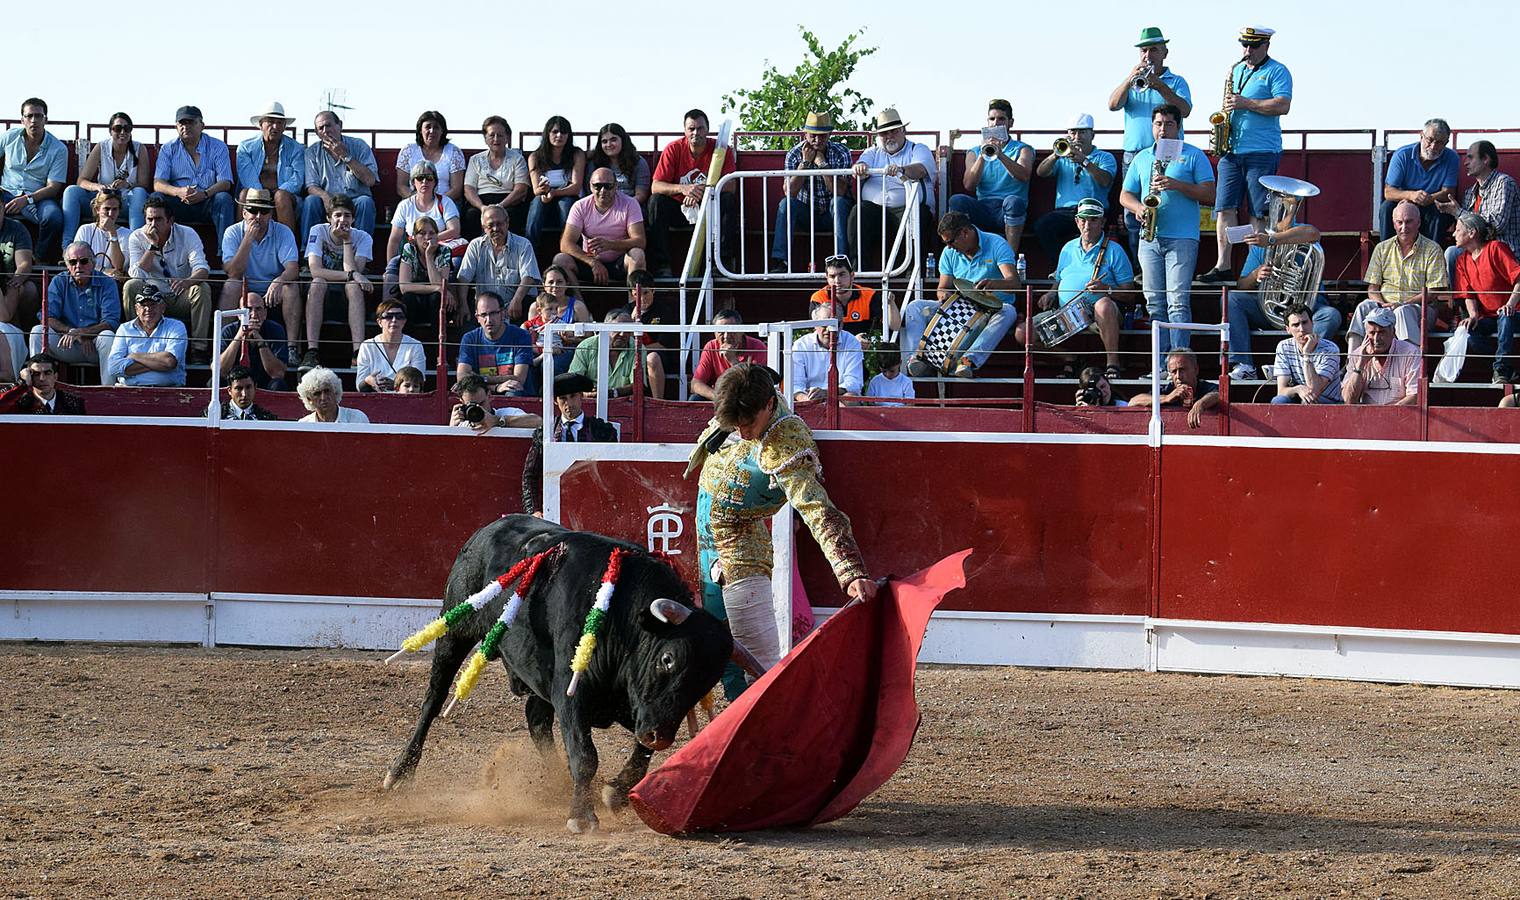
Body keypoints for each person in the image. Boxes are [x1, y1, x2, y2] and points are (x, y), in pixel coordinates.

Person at [688, 363, 875, 698]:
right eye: (735, 424)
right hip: (705, 527)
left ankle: (760, 723)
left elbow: (818, 510)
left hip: (740, 539)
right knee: (717, 638)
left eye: (749, 423)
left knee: (756, 659)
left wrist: (850, 570)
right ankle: (735, 721)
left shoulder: (787, 442)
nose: (743, 432)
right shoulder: (747, 396)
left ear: (770, 405)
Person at [1199, 27, 1293, 283]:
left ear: (1266, 46)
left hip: (1262, 150)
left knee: (1257, 212)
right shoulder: (1237, 69)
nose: (1247, 51)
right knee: (1224, 208)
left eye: (1253, 46)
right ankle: (1223, 265)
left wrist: (1246, 103)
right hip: (1231, 150)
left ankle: (1253, 267)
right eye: (1244, 45)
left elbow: (1283, 105)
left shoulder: (1277, 71)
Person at [1119, 104, 1215, 356]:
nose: (1163, 129)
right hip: (1149, 238)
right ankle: (1159, 364)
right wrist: (1138, 208)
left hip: (1182, 239)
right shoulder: (1141, 157)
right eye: (1158, 124)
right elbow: (1124, 195)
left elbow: (1209, 194)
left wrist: (1176, 184)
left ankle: (1179, 362)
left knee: (1177, 302)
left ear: (1179, 126)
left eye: (1168, 124)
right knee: (1154, 304)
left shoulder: (1193, 155)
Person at [1016, 199, 1133, 377]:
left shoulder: (1115, 250)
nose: (1088, 225)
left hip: (1098, 316)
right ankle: (1071, 358)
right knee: (1022, 333)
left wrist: (1106, 289)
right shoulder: (1067, 248)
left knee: (1104, 305)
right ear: (1077, 221)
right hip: (1067, 314)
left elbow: (1130, 294)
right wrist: (1051, 292)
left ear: (1102, 223)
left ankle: (1113, 364)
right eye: (1084, 219)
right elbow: (1060, 277)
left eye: (1093, 220)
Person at [1225, 201, 1341, 381]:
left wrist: (1272, 240)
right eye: (1277, 212)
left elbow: (1314, 233)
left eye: (1287, 210)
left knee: (1330, 316)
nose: (1281, 217)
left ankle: (1302, 362)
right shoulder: (1259, 245)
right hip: (1271, 308)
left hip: (1308, 307)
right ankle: (1244, 365)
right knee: (1233, 299)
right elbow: (1241, 285)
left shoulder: (1301, 232)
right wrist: (1255, 275)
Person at [1108, 27, 1194, 262]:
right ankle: (1140, 268)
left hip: (1168, 151)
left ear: (1164, 52)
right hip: (1136, 153)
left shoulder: (1176, 81)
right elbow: (1113, 105)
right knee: (1133, 214)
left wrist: (1159, 86)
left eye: (1153, 49)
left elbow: (1184, 110)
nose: (1148, 55)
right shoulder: (1133, 81)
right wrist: (1129, 79)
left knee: (1167, 206)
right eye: (1144, 50)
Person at [901, 211, 1021, 378]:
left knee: (1009, 311)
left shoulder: (997, 244)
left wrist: (994, 284)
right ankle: (917, 358)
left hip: (993, 308)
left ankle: (967, 362)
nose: (949, 247)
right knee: (915, 307)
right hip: (961, 308)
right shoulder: (949, 253)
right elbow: (942, 287)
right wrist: (943, 295)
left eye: (950, 241)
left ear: (965, 232)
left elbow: (1015, 283)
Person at [649, 109, 737, 276]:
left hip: (710, 209)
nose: (696, 133)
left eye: (700, 128)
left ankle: (721, 265)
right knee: (656, 202)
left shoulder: (721, 149)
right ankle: (662, 265)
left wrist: (701, 191)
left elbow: (731, 185)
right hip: (679, 209)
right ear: (685, 130)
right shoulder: (673, 148)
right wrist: (684, 189)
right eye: (691, 129)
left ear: (708, 129)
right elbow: (656, 186)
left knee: (728, 200)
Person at [124, 195, 212, 360]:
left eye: (158, 219)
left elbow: (202, 268)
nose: (152, 224)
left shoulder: (187, 234)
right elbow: (136, 274)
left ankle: (199, 349)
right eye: (149, 219)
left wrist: (187, 282)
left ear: (170, 220)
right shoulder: (137, 237)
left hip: (180, 296)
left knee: (201, 288)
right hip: (151, 299)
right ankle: (134, 340)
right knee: (131, 286)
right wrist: (152, 246)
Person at [1347, 200, 1447, 343]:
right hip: (1385, 305)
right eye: (1399, 222)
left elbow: (1433, 292)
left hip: (1419, 308)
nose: (1404, 227)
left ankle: (1411, 362)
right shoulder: (1382, 248)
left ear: (1418, 223)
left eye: (1409, 222)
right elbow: (1373, 288)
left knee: (1402, 312)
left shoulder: (1432, 249)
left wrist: (1403, 303)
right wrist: (1382, 305)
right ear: (1394, 224)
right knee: (1363, 307)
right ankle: (1354, 361)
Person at [521, 372, 618, 516]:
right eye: (563, 399)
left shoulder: (602, 431)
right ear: (555, 401)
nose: (569, 404)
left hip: (594, 505)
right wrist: (534, 511)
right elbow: (530, 475)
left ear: (581, 396)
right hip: (555, 504)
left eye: (573, 396)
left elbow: (612, 473)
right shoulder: (545, 433)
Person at [771, 112, 854, 272]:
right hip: (807, 215)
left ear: (830, 134)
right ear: (805, 134)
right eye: (813, 136)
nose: (817, 140)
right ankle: (780, 261)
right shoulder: (794, 154)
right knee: (786, 204)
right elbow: (789, 192)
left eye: (822, 136)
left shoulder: (841, 152)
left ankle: (842, 262)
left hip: (834, 214)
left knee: (839, 203)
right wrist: (805, 163)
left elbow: (841, 191)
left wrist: (823, 165)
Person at [299, 195, 373, 372]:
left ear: (353, 219)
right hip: (322, 295)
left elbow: (356, 271)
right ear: (328, 218)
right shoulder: (318, 230)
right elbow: (316, 270)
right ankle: (312, 351)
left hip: (347, 297)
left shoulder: (363, 237)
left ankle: (358, 353)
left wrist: (347, 241)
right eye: (337, 215)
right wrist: (352, 275)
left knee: (353, 286)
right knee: (317, 282)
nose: (342, 220)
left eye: (347, 215)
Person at [945, 100, 1029, 256]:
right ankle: (965, 256)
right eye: (992, 119)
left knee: (1014, 202)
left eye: (1001, 119)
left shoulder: (1023, 149)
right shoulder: (974, 152)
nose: (995, 123)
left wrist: (1001, 154)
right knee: (957, 200)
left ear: (1010, 123)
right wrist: (984, 155)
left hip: (1007, 209)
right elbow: (969, 184)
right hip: (983, 207)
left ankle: (1008, 258)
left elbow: (1023, 175)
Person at [29, 241, 117, 384]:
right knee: (38, 331)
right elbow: (46, 317)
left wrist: (82, 332)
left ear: (93, 263)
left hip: (95, 345)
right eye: (72, 262)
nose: (78, 266)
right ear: (67, 265)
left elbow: (111, 322)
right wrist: (71, 331)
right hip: (67, 343)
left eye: (83, 261)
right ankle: (39, 387)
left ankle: (109, 391)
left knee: (108, 336)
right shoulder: (59, 281)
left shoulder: (107, 283)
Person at [1032, 114, 1117, 260]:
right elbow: (1041, 172)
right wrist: (1055, 155)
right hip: (1065, 212)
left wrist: (1084, 161)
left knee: (1090, 231)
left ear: (1092, 135)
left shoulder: (1104, 157)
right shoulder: (1063, 157)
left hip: (1094, 210)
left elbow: (1105, 181)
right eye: (1073, 132)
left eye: (1082, 132)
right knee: (1042, 226)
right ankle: (1062, 266)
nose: (1077, 136)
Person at [152, 105, 236, 250]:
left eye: (191, 122)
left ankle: (226, 255)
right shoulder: (168, 148)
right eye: (181, 123)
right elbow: (158, 183)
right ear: (176, 126)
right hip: (178, 202)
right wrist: (178, 192)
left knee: (224, 199)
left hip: (207, 201)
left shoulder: (218, 146)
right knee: (156, 198)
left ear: (202, 125)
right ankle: (155, 249)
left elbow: (226, 182)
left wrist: (204, 194)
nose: (186, 127)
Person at [554, 167, 647, 296]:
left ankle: (634, 307)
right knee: (560, 260)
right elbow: (565, 244)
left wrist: (610, 245)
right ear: (591, 187)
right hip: (590, 262)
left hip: (619, 263)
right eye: (598, 186)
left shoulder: (630, 204)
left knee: (637, 255)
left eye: (608, 186)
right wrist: (593, 263)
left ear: (615, 187)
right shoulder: (580, 206)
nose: (603, 190)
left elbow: (640, 241)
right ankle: (579, 308)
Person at [1437, 141, 1520, 284]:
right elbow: (1465, 230)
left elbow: (1496, 224)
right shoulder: (1470, 193)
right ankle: (1461, 303)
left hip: (1502, 251)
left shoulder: (1504, 183)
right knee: (1452, 253)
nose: (1465, 163)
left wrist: (1458, 212)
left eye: (1470, 157)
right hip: (1476, 251)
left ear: (1485, 159)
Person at [1451, 212, 1520, 383]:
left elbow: (1519, 278)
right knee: (1469, 332)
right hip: (1489, 317)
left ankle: (1501, 370)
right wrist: (1473, 315)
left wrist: (1510, 304)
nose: (1453, 234)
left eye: (1458, 230)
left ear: (1472, 233)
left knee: (1505, 317)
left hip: (1514, 313)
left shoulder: (1496, 248)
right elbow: (1468, 294)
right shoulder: (1462, 260)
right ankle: (1503, 368)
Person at [63, 111, 151, 240]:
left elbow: (144, 184)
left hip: (127, 202)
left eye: (127, 129)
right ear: (110, 131)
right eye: (117, 128)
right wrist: (98, 187)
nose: (122, 132)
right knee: (71, 191)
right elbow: (81, 180)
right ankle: (67, 245)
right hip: (103, 202)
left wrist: (127, 184)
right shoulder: (102, 147)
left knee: (139, 193)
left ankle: (135, 245)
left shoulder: (139, 149)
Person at [0, 98, 67, 262]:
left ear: (46, 119)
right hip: (6, 192)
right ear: (22, 119)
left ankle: (39, 259)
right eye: (29, 116)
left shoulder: (58, 149)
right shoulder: (9, 137)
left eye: (38, 116)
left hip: (37, 197)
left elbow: (53, 187)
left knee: (54, 218)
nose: (33, 121)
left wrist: (27, 199)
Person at [384, 161, 461, 295]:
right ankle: (388, 310)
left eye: (429, 178)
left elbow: (454, 230)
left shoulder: (445, 202)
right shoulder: (404, 205)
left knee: (456, 263)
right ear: (413, 182)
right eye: (420, 178)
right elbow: (395, 239)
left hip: (440, 251)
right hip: (413, 252)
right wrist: (389, 265)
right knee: (392, 269)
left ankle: (455, 308)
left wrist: (429, 240)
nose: (424, 182)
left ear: (435, 182)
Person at [302, 110, 379, 245]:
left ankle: (362, 255)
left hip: (354, 201)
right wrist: (325, 197)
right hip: (328, 201)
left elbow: (371, 180)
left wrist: (346, 156)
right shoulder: (312, 152)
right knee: (311, 201)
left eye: (329, 125)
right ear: (317, 133)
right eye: (321, 128)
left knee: (365, 202)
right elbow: (311, 185)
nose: (325, 131)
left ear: (340, 125)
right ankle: (307, 254)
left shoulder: (359, 145)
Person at [220, 189, 299, 318]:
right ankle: (223, 336)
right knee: (231, 285)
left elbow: (293, 269)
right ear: (244, 213)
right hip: (244, 288)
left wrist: (280, 280)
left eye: (264, 211)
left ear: (270, 214)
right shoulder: (232, 232)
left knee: (291, 288)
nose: (258, 216)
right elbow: (233, 272)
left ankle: (293, 339)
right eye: (253, 210)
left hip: (273, 290)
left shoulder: (283, 232)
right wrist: (248, 239)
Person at [1379, 119, 1458, 243]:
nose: (1433, 146)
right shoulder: (1402, 155)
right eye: (1430, 140)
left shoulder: (1452, 157)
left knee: (1440, 214)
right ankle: (1387, 254)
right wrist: (1411, 195)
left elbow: (1449, 192)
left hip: (1432, 203)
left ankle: (1433, 257)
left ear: (1446, 142)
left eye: (1439, 143)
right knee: (1386, 208)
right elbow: (1388, 192)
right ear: (1421, 136)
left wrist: (1429, 198)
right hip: (1404, 201)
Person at [457, 204, 539, 322]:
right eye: (490, 225)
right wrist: (462, 304)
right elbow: (463, 278)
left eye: (499, 224)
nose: (495, 229)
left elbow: (529, 277)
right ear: (483, 227)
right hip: (485, 310)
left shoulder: (523, 245)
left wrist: (517, 300)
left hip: (516, 307)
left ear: (507, 223)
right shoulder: (475, 246)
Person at [236, 101, 304, 235]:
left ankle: (288, 247)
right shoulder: (245, 147)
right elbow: (247, 178)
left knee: (281, 196)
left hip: (286, 197)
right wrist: (263, 196)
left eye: (279, 123)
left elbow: (298, 179)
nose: (275, 126)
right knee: (245, 194)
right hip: (256, 193)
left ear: (284, 127)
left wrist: (277, 193)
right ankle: (241, 244)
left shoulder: (296, 148)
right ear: (261, 125)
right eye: (270, 122)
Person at [568, 306, 666, 399]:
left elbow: (638, 385)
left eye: (627, 330)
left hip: (623, 403)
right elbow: (574, 380)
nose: (623, 334)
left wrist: (613, 392)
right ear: (605, 328)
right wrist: (585, 393)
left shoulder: (638, 348)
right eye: (618, 329)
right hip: (590, 402)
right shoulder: (586, 347)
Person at [105, 282, 188, 386]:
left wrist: (134, 356)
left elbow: (170, 362)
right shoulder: (124, 329)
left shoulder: (176, 327)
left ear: (162, 307)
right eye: (144, 305)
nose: (148, 309)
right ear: (136, 309)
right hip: (129, 392)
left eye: (153, 304)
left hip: (169, 391)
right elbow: (113, 367)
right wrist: (158, 364)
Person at [463, 116, 531, 240]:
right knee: (470, 215)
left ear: (507, 137)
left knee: (511, 216)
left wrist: (499, 207)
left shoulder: (517, 159)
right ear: (485, 138)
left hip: (508, 202)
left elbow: (521, 190)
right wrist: (483, 208)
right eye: (491, 135)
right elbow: (469, 189)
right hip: (481, 202)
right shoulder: (475, 160)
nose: (496, 139)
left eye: (500, 135)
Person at [526, 116, 587, 251]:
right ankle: (529, 250)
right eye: (555, 132)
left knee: (566, 205)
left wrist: (554, 192)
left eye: (564, 132)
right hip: (545, 196)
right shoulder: (535, 157)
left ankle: (569, 250)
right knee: (537, 203)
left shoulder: (577, 154)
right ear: (547, 133)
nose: (559, 135)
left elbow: (576, 187)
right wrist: (546, 191)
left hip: (568, 195)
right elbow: (536, 190)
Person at [456, 290, 533, 395]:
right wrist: (496, 387)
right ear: (477, 318)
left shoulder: (521, 336)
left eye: (493, 313)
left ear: (502, 314)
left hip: (514, 393)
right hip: (485, 393)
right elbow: (462, 377)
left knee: (513, 390)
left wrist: (478, 378)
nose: (488, 320)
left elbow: (518, 378)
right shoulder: (470, 338)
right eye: (483, 315)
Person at [809, 253, 899, 341]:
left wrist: (890, 303)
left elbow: (895, 326)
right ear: (827, 278)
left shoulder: (869, 295)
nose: (837, 281)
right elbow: (818, 335)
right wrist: (853, 342)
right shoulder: (818, 298)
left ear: (852, 276)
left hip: (865, 351)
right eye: (832, 276)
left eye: (842, 275)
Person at [1341, 307, 1419, 406]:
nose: (1376, 339)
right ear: (1366, 334)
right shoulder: (1357, 355)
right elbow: (1348, 400)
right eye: (1372, 333)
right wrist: (1360, 364)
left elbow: (1414, 396)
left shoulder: (1411, 353)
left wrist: (1385, 416)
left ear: (1393, 332)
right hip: (1365, 417)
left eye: (1381, 332)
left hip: (1399, 417)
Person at [791, 301, 864, 401]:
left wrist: (827, 393)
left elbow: (854, 382)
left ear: (842, 324)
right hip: (809, 398)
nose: (829, 330)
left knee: (850, 398)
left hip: (839, 397)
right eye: (824, 324)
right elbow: (795, 384)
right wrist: (807, 399)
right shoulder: (801, 345)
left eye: (834, 325)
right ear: (815, 324)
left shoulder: (852, 342)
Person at [1270, 303, 1342, 404]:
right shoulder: (1284, 347)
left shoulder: (1330, 349)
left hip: (1328, 402)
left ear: (1312, 323)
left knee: (1308, 401)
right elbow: (1281, 391)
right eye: (1296, 325)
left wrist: (1307, 354)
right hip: (1299, 396)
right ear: (1288, 329)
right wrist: (1298, 389)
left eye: (1305, 322)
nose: (1302, 329)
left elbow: (1315, 389)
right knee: (1279, 401)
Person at [1130, 348, 1221, 428]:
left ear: (1196, 369)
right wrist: (1167, 398)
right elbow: (1133, 401)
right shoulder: (1168, 390)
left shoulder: (1204, 386)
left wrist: (1200, 404)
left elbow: (1219, 394)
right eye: (1174, 372)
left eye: (1182, 370)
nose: (1178, 376)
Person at [692, 308, 766, 400]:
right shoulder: (711, 346)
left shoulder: (757, 346)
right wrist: (717, 397)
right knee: (695, 398)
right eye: (721, 332)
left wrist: (733, 360)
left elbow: (753, 386)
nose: (726, 336)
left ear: (742, 330)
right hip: (720, 398)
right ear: (714, 333)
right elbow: (695, 384)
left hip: (746, 399)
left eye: (732, 330)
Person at [396, 215, 457, 324]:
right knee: (408, 297)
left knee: (437, 298)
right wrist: (435, 289)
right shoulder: (409, 249)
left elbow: (440, 285)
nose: (427, 237)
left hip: (435, 304)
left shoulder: (444, 251)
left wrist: (429, 256)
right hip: (416, 301)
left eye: (432, 233)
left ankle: (436, 339)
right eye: (422, 233)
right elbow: (404, 287)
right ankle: (409, 339)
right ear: (414, 236)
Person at [217, 297, 288, 390]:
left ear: (265, 313)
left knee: (278, 384)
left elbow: (278, 373)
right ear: (239, 314)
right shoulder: (228, 330)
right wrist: (239, 336)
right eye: (248, 309)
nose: (254, 315)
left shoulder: (275, 330)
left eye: (258, 309)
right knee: (214, 382)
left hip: (264, 382)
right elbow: (219, 370)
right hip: (235, 384)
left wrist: (259, 340)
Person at [395, 110, 465, 204]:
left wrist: (436, 203)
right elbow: (401, 186)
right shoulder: (408, 150)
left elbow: (456, 189)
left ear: (442, 131)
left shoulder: (454, 152)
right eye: (428, 127)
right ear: (420, 130)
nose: (432, 131)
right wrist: (419, 202)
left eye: (436, 127)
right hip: (414, 204)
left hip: (445, 204)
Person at [357, 300, 425, 392]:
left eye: (399, 317)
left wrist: (395, 385)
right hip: (376, 399)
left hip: (405, 400)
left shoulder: (415, 346)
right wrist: (369, 381)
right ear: (379, 322)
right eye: (388, 316)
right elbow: (359, 385)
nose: (394, 320)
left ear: (404, 321)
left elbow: (419, 381)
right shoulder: (367, 346)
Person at [0, 190, 38, 337]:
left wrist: (15, 280)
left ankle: (22, 333)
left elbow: (24, 263)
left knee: (29, 290)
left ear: (3, 206)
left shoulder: (16, 229)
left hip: (9, 281)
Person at [448, 373, 540, 433]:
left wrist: (497, 421)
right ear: (462, 402)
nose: (478, 409)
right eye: (471, 405)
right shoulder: (460, 424)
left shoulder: (507, 413)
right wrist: (451, 429)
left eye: (481, 404)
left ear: (489, 396)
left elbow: (538, 422)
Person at [585, 123, 651, 207]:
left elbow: (641, 195)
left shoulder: (638, 162)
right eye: (604, 141)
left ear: (623, 140)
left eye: (613, 140)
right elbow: (590, 192)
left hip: (630, 207)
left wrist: (622, 207)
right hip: (601, 207)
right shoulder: (594, 163)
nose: (609, 144)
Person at [72, 191, 129, 282]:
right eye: (107, 209)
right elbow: (78, 261)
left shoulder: (127, 234)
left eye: (115, 209)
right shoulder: (85, 230)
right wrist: (103, 270)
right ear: (98, 209)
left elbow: (118, 267)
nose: (110, 214)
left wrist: (113, 233)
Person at [3, 352, 85, 414]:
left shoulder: (73, 402)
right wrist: (21, 383)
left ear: (55, 377)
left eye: (47, 373)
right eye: (36, 374)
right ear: (30, 377)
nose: (42, 379)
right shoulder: (21, 402)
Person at [297, 366, 369, 423]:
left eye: (327, 391)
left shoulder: (357, 419)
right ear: (309, 399)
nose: (323, 397)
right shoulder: (304, 424)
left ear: (336, 392)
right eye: (317, 394)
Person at [208, 364, 278, 420]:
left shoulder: (266, 418)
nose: (244, 394)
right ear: (230, 390)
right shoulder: (214, 415)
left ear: (255, 388)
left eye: (248, 387)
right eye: (238, 388)